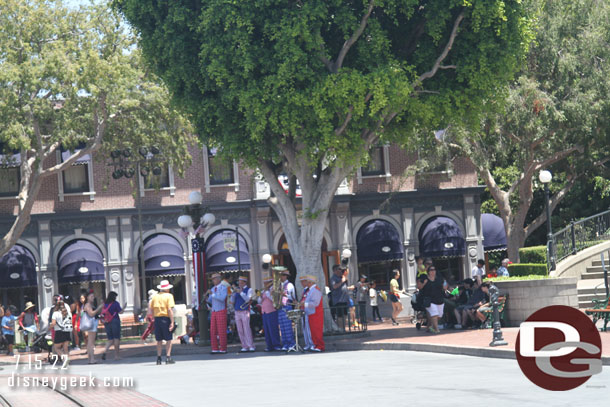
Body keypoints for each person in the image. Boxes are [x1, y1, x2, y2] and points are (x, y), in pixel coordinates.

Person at [149, 280, 176, 364]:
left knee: (159, 340)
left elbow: (151, 309)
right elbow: (169, 309)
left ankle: (159, 358)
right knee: (168, 339)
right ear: (167, 289)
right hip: (165, 318)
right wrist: (172, 321)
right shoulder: (169, 296)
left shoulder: (155, 297)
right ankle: (168, 357)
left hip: (157, 319)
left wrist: (153, 318)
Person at [230, 276, 255, 352]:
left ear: (244, 282)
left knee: (246, 329)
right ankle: (244, 345)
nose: (239, 283)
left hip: (245, 311)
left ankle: (251, 345)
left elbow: (248, 299)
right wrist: (233, 293)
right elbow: (232, 301)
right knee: (240, 330)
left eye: (240, 282)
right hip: (237, 311)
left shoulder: (249, 290)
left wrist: (240, 292)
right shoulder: (237, 290)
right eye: (239, 282)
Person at [300, 275, 324, 352]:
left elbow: (315, 303)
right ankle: (315, 345)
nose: (305, 283)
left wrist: (305, 304)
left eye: (307, 281)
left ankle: (319, 346)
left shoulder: (315, 290)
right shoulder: (311, 290)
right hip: (311, 313)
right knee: (312, 331)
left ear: (310, 282)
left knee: (316, 330)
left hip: (315, 313)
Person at [258, 276, 282, 352]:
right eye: (264, 283)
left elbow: (274, 300)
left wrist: (267, 292)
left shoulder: (273, 289)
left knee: (273, 329)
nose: (265, 284)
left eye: (266, 283)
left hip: (271, 310)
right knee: (267, 330)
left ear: (269, 283)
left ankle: (277, 345)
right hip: (264, 311)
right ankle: (269, 345)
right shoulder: (264, 291)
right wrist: (260, 296)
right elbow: (259, 301)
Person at [207, 273, 228, 354]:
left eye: (214, 279)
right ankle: (215, 348)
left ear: (219, 279)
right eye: (212, 279)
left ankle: (223, 348)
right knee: (213, 330)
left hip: (221, 310)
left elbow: (222, 298)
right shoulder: (212, 288)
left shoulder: (223, 288)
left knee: (221, 330)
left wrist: (213, 294)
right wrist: (207, 297)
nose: (213, 281)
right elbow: (210, 300)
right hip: (214, 311)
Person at [80, 291, 103, 364]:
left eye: (93, 296)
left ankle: (90, 359)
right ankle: (92, 359)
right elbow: (91, 314)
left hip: (92, 324)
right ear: (87, 297)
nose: (93, 298)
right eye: (91, 296)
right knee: (91, 342)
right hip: (91, 324)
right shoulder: (87, 305)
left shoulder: (89, 304)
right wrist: (99, 308)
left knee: (90, 342)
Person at [277, 268, 296, 351]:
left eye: (282, 275)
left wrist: (284, 294)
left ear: (285, 276)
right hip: (280, 307)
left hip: (287, 306)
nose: (280, 277)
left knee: (288, 326)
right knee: (282, 327)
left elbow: (292, 297)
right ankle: (285, 343)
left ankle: (291, 343)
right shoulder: (279, 285)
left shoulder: (290, 285)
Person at [421, 267, 445, 334]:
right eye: (431, 270)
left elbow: (444, 287)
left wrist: (445, 284)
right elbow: (420, 288)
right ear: (428, 271)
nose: (433, 271)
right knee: (434, 314)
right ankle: (436, 329)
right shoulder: (425, 279)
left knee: (439, 315)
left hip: (439, 299)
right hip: (430, 300)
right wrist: (423, 284)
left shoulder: (439, 279)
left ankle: (429, 326)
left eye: (434, 270)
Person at [100, 291, 123, 361]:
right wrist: (124, 308)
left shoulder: (105, 304)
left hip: (107, 322)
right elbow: (120, 312)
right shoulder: (115, 303)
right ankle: (116, 355)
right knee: (116, 338)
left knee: (110, 339)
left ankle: (105, 351)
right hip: (115, 321)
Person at [298, 276, 314, 351]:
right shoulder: (304, 290)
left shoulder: (310, 290)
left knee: (309, 329)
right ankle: (307, 344)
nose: (302, 283)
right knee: (305, 329)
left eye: (303, 281)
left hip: (308, 311)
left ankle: (311, 344)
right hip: (303, 310)